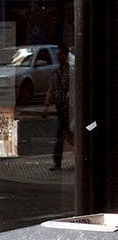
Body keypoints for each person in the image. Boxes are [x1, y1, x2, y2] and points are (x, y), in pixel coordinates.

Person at [44, 42, 72, 170]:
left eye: (60, 54)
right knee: (65, 133)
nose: (58, 57)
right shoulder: (55, 72)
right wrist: (47, 106)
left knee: (62, 133)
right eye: (57, 55)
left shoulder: (71, 71)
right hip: (60, 106)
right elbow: (51, 89)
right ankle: (57, 161)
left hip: (70, 107)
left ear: (66, 55)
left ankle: (58, 161)